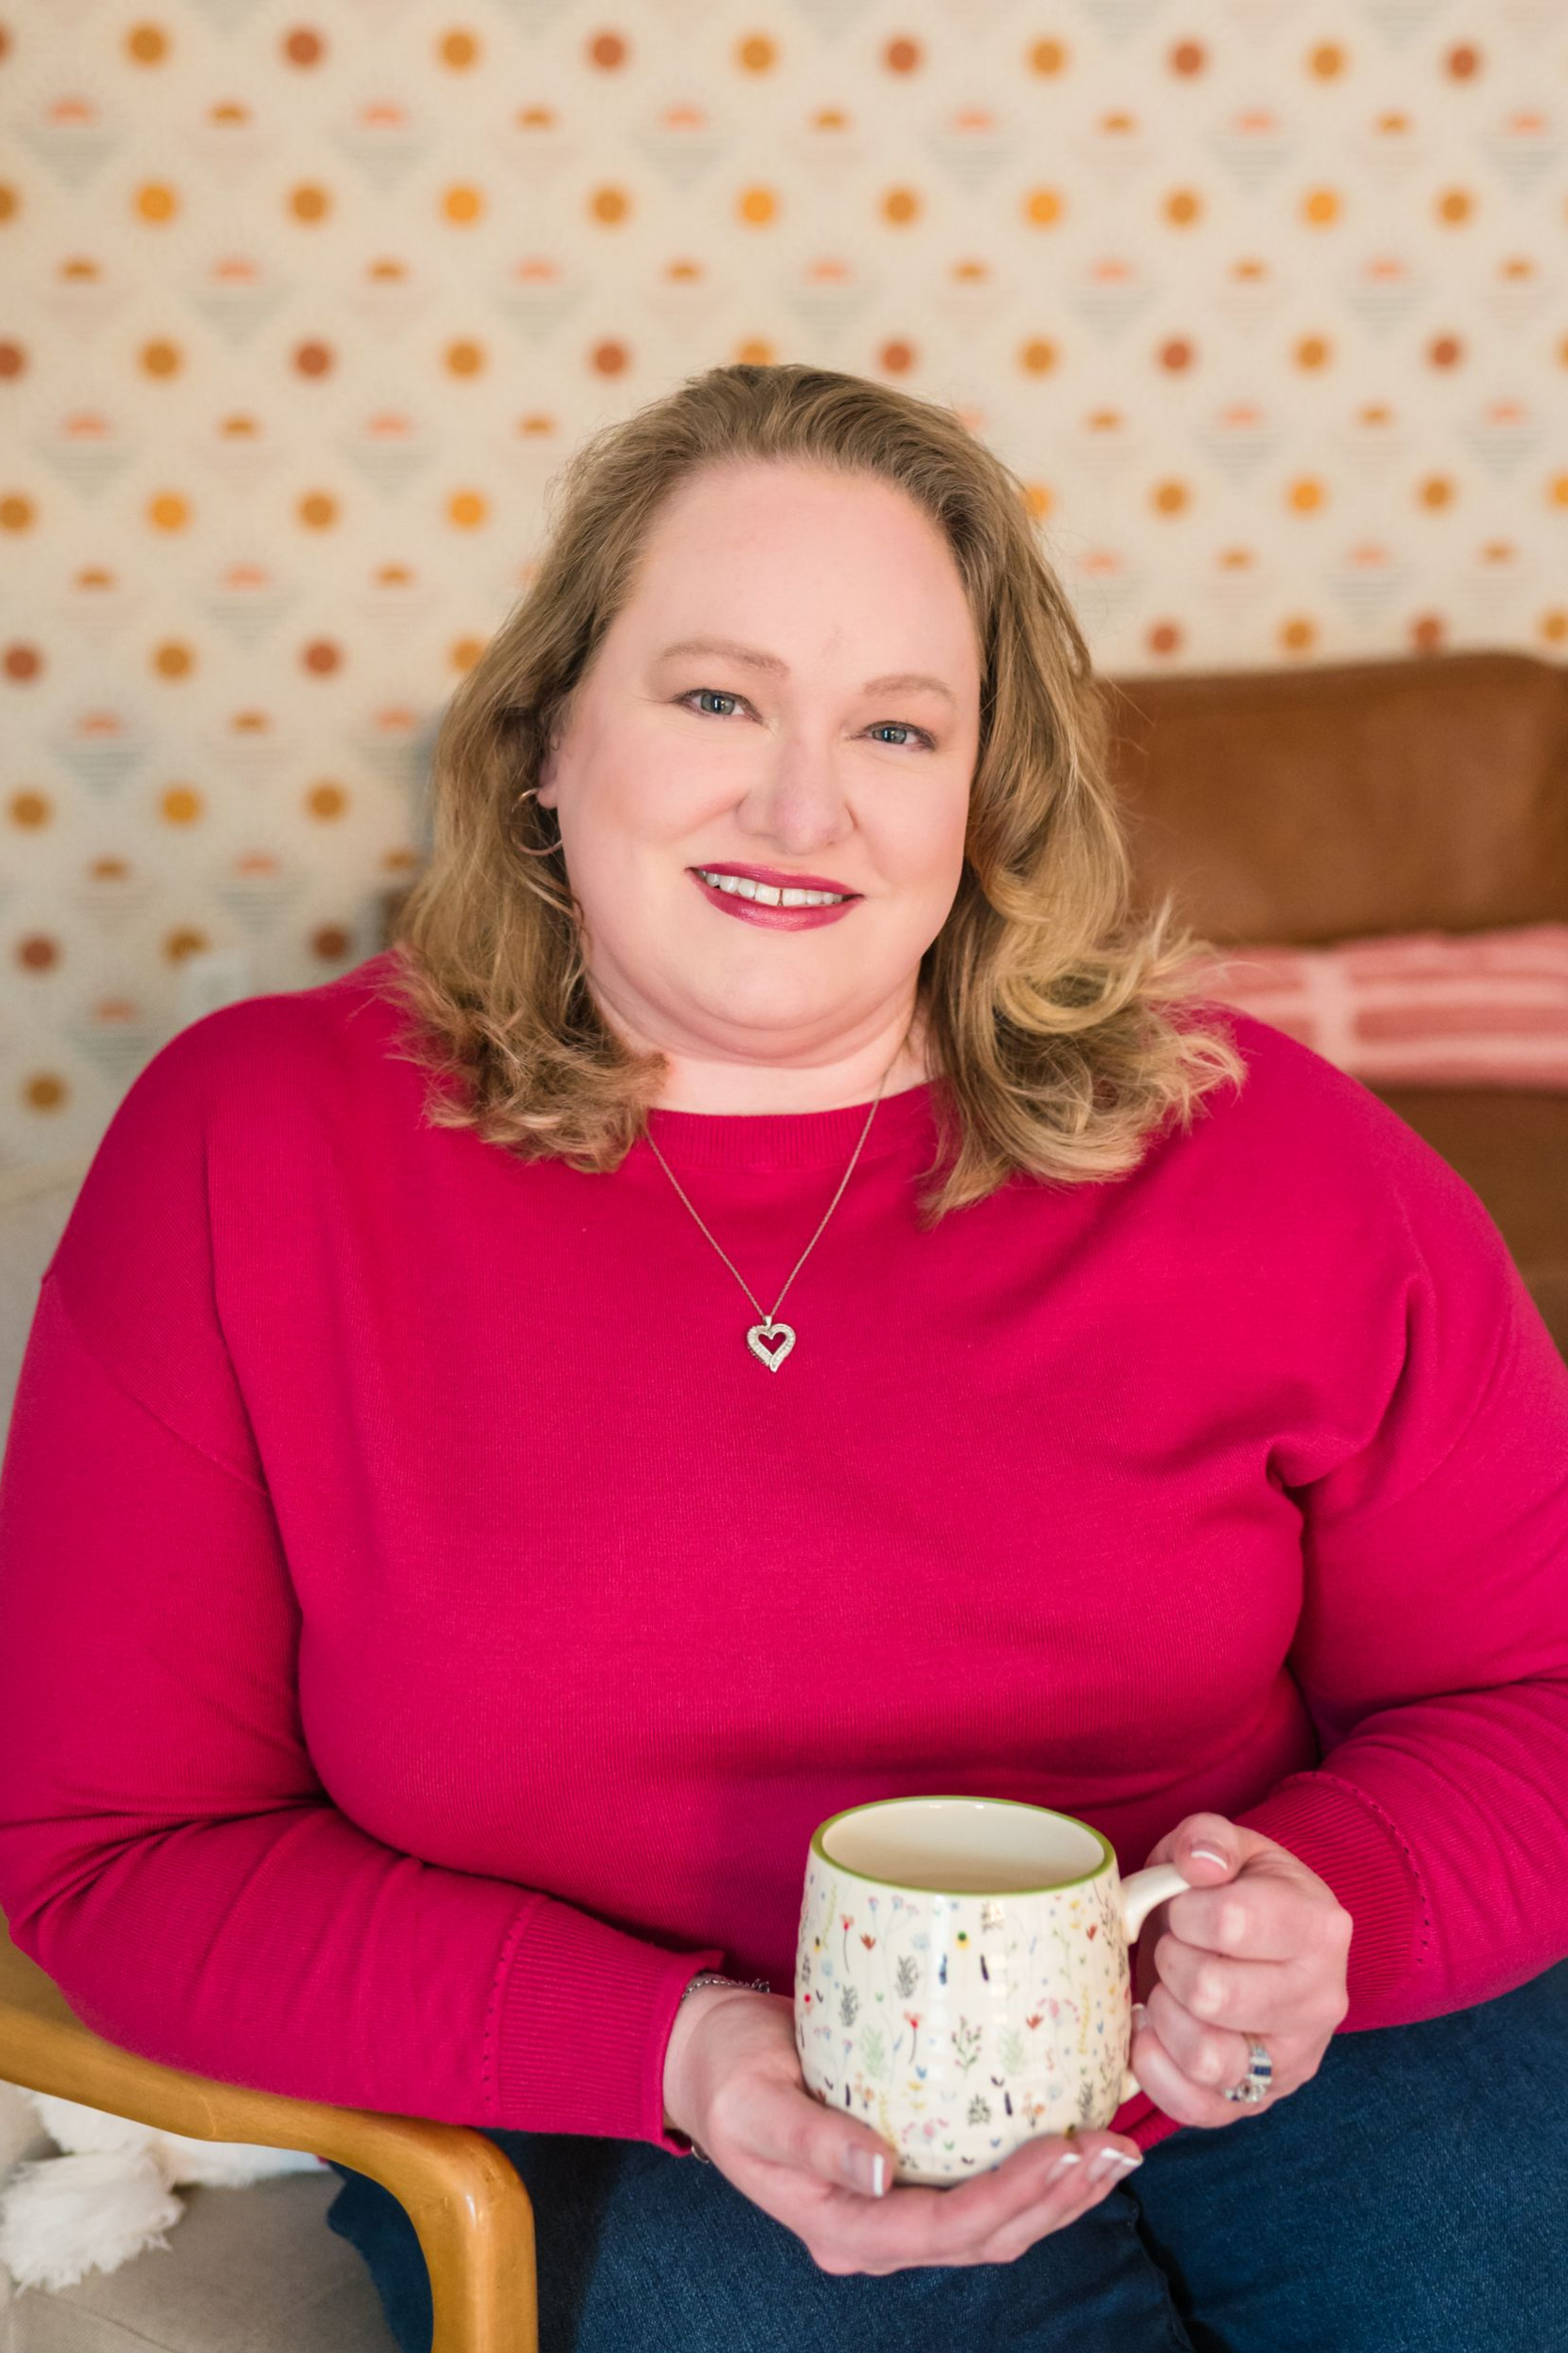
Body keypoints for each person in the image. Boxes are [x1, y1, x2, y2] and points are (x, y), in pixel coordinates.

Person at [1, 361, 1566, 2353]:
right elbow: (125, 1853)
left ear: (984, 799)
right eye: (718, 695)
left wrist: (1335, 1911)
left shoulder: (1279, 1153)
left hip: (1280, 2039)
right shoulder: (253, 1148)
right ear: (548, 735)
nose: (801, 805)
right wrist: (672, 2046)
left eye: (896, 726)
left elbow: (1531, 1687)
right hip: (635, 2091)